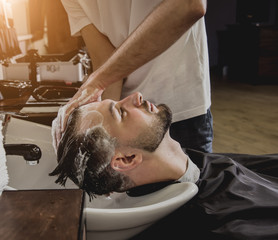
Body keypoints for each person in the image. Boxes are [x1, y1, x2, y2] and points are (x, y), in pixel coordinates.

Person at [50, 92, 278, 239]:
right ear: (126, 159)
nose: (135, 96)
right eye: (120, 112)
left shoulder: (197, 165)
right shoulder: (219, 225)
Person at [53, 0, 213, 153]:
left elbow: (189, 5)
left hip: (182, 105)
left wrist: (96, 82)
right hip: (131, 124)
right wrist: (106, 137)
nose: (138, 97)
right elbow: (105, 61)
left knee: (193, 178)